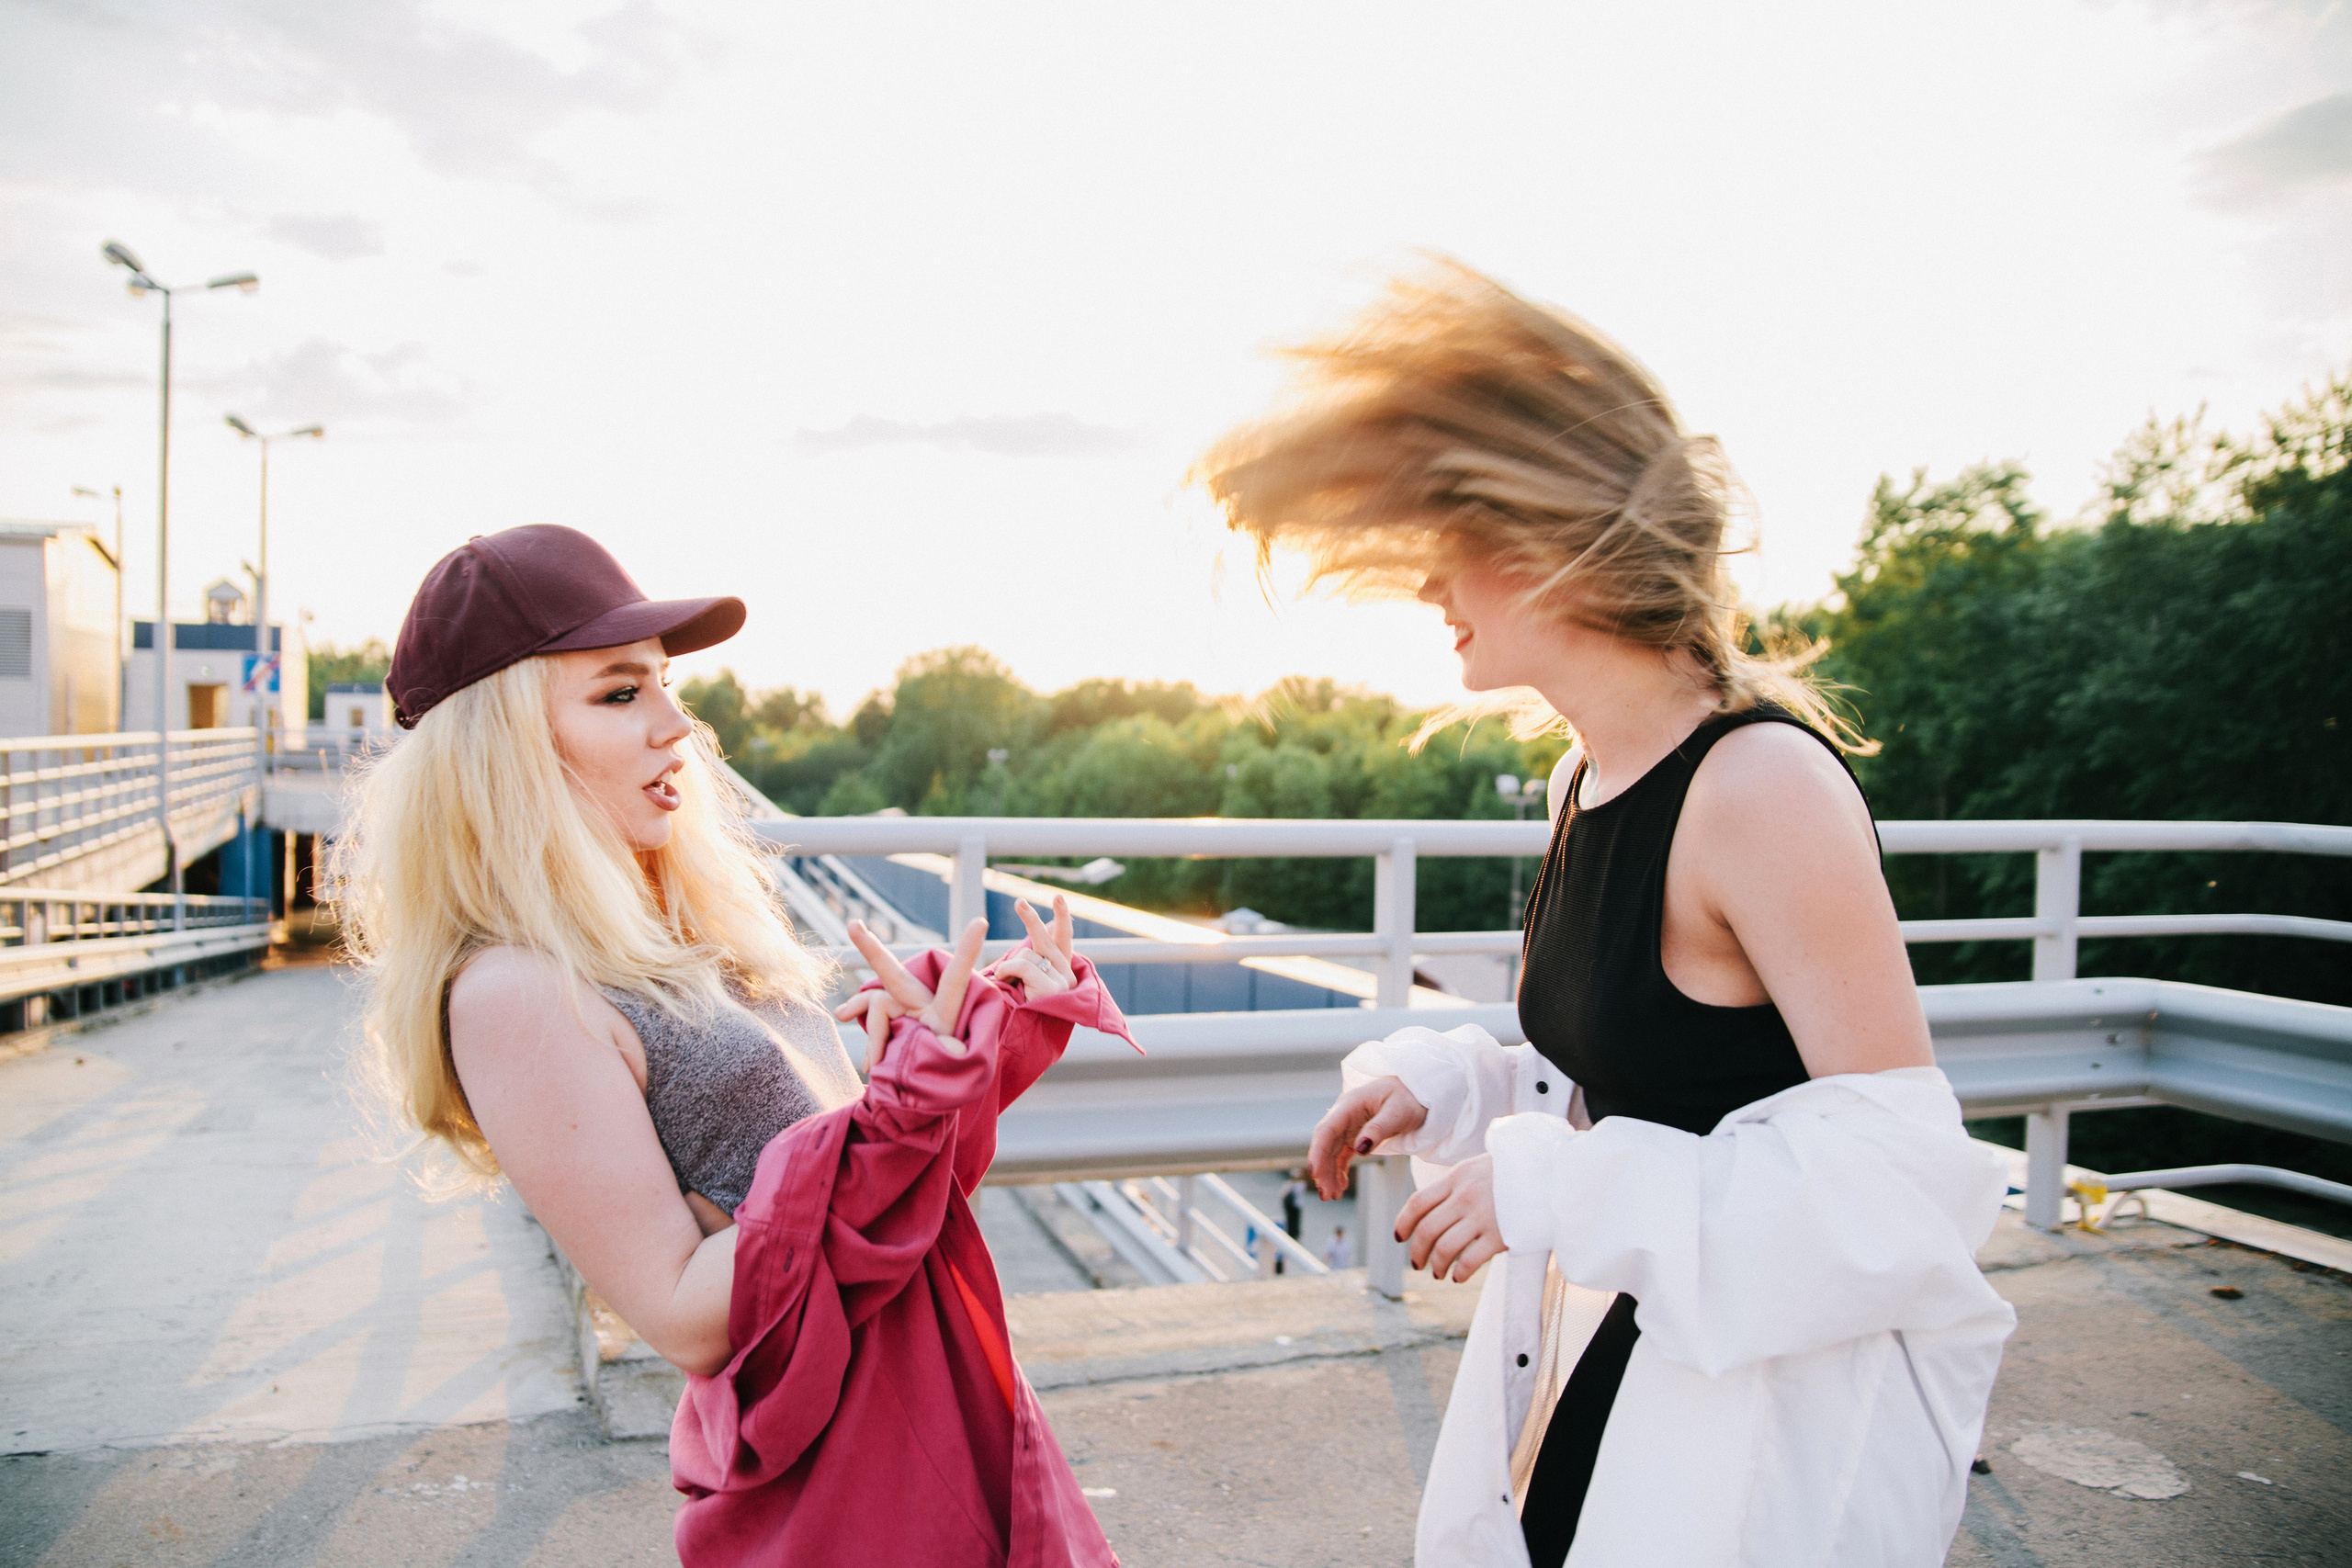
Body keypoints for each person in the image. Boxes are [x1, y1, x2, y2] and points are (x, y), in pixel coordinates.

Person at [1196, 264, 2015, 1567]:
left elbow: (1900, 1181)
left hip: (1759, 1422)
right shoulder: (1587, 772)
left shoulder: (1762, 787)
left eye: (1444, 543)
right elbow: (1640, 1073)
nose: (1425, 587)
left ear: (1547, 537)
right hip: (1624, 1354)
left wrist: (1557, 1180)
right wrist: (1456, 1088)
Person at [332, 525, 1127, 1566]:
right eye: (620, 694)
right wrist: (883, 1126)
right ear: (505, 748)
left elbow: (849, 1216)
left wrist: (966, 1039)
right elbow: (686, 1314)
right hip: (849, 1476)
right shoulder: (515, 991)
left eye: (665, 685)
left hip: (940, 1393)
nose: (679, 726)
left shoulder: (676, 934)